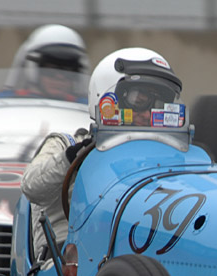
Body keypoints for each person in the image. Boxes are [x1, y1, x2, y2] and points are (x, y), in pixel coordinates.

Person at [21, 46, 182, 263]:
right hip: (65, 259)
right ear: (107, 97)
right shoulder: (65, 144)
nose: (147, 113)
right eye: (139, 99)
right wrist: (73, 157)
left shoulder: (170, 158)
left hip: (140, 254)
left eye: (158, 103)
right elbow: (31, 186)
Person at [0, 24, 90, 102]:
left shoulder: (88, 109)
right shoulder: (5, 101)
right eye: (51, 70)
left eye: (68, 71)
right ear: (33, 70)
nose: (60, 78)